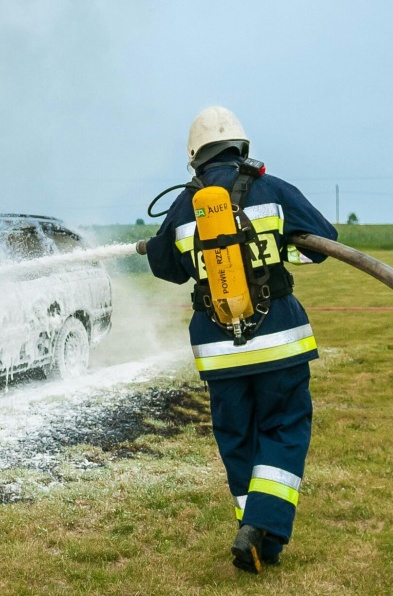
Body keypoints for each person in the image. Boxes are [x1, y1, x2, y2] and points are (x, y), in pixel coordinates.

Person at [142, 106, 339, 573]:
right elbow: (324, 241)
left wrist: (166, 244)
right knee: (284, 429)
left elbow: (164, 266)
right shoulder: (271, 190)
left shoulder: (186, 203)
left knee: (238, 440)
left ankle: (257, 541)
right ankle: (261, 530)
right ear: (241, 148)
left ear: (195, 159)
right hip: (279, 341)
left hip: (218, 350)